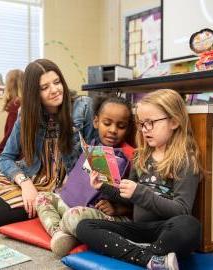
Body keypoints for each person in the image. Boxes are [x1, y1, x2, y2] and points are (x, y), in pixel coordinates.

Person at [0, 59, 95, 230]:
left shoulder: (83, 107)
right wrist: (25, 183)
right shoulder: (26, 113)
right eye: (45, 87)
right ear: (34, 92)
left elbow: (94, 154)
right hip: (29, 174)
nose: (55, 90)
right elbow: (6, 157)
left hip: (58, 187)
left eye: (57, 82)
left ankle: (33, 204)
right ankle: (17, 194)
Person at [76, 89, 202, 270]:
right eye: (142, 124)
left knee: (190, 226)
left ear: (174, 121)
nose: (144, 129)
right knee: (85, 227)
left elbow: (181, 210)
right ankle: (150, 259)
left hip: (166, 230)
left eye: (150, 123)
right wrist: (103, 187)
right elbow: (129, 195)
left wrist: (141, 192)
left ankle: (142, 253)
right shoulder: (141, 156)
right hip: (138, 229)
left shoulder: (185, 160)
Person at [35, 96, 136, 256]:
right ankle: (60, 234)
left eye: (121, 126)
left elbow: (139, 201)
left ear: (128, 128)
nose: (113, 130)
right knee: (42, 197)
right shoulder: (92, 144)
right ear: (96, 122)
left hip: (101, 215)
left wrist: (119, 208)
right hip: (74, 204)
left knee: (74, 215)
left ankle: (70, 232)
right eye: (107, 123)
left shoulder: (130, 157)